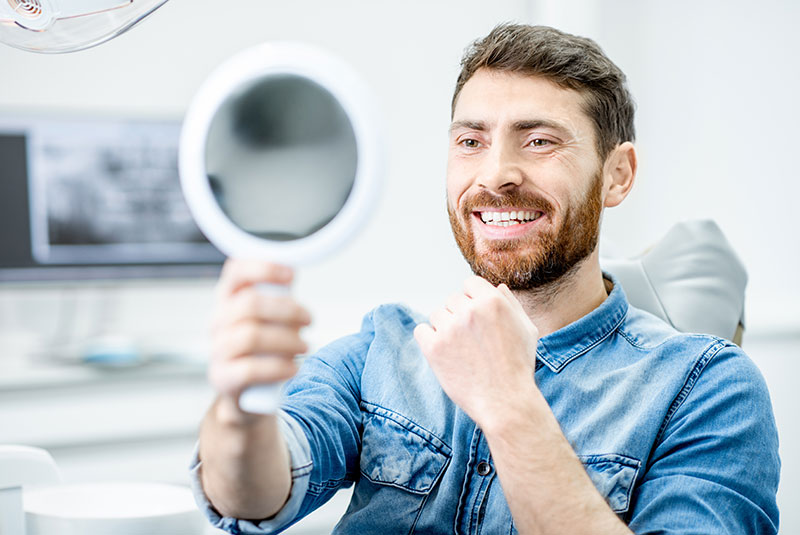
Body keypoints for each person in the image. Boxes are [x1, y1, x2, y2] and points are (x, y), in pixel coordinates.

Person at [190, 24, 780, 534]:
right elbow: (251, 497)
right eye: (471, 142)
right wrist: (241, 411)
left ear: (617, 174)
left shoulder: (708, 389)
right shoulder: (383, 349)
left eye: (539, 141)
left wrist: (509, 404)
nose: (496, 175)